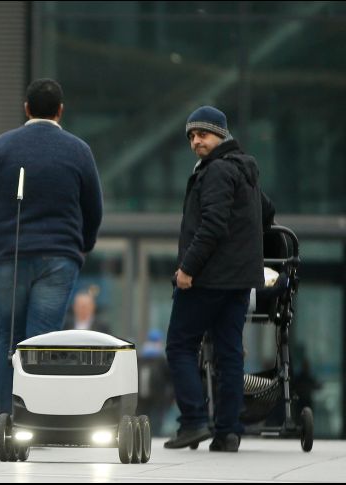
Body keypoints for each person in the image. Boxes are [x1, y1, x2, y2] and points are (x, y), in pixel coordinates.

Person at [0, 78, 104, 421]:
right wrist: (82, 246)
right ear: (60, 111)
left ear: (26, 108)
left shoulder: (1, 148)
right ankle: (35, 414)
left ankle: (5, 415)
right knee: (41, 342)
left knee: (6, 336)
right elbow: (94, 209)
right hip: (59, 259)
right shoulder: (79, 151)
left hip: (7, 257)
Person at [163, 106, 275, 452]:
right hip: (240, 281)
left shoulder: (216, 172)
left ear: (222, 136)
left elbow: (211, 226)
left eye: (204, 134)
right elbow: (267, 213)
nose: (197, 141)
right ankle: (228, 431)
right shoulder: (246, 170)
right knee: (229, 355)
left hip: (207, 279)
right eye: (192, 136)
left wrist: (188, 269)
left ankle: (193, 421)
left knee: (180, 345)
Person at [137, 329, 174, 436]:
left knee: (142, 419)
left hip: (141, 397)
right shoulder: (161, 359)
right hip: (158, 398)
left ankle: (143, 436)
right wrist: (170, 398)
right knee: (156, 422)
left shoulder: (140, 357)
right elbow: (170, 379)